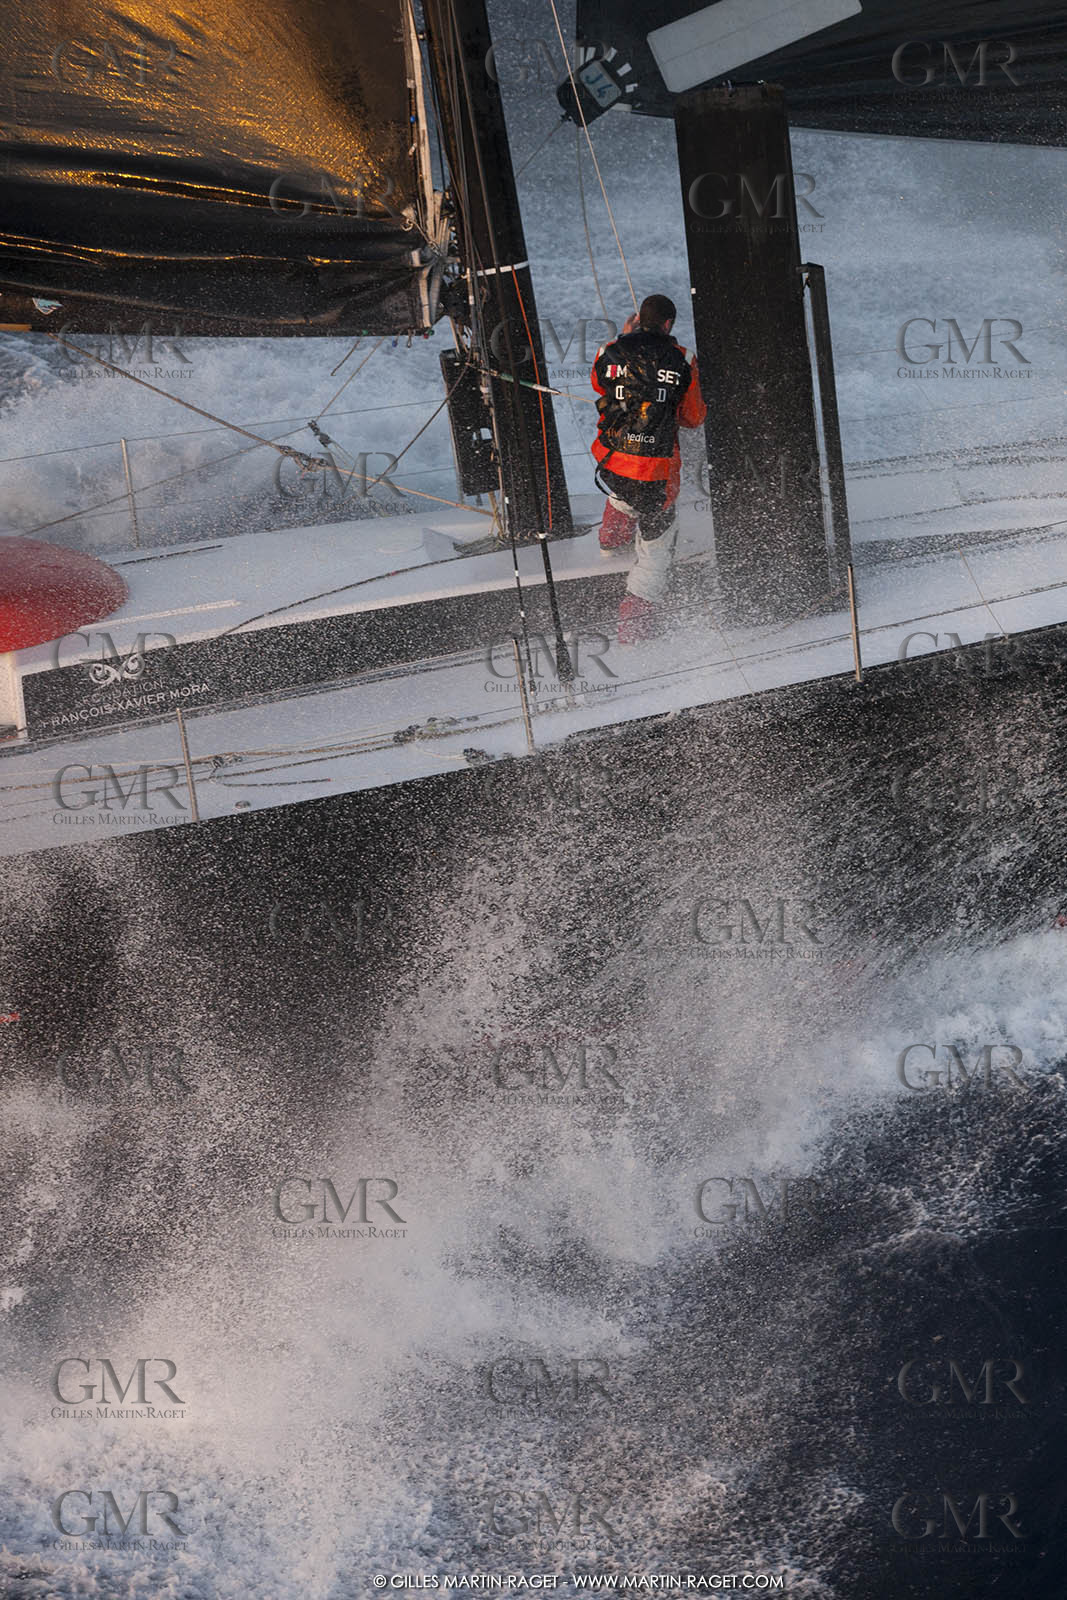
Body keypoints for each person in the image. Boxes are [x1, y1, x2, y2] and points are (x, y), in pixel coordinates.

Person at [591, 293, 707, 642]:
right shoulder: (683, 359)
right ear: (669, 323)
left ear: (638, 319)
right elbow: (692, 417)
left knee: (623, 490)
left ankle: (609, 541)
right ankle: (633, 631)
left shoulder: (607, 350)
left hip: (610, 461)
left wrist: (622, 340)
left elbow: (600, 384)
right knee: (656, 550)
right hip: (655, 473)